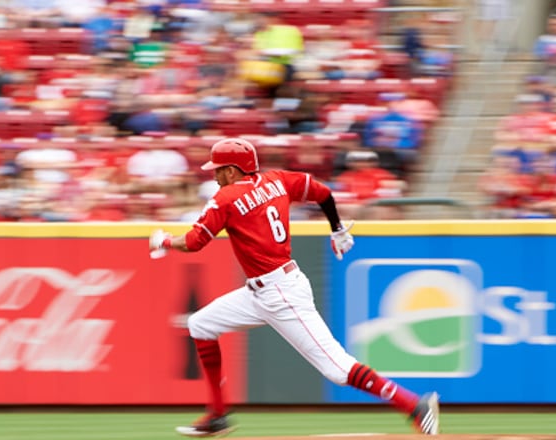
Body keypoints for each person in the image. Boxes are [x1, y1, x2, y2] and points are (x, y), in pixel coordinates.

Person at [148, 138, 440, 437]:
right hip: (261, 290)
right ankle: (219, 415)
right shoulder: (278, 179)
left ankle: (414, 404)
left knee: (338, 370)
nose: (214, 175)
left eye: (219, 169)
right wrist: (337, 228)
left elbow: (195, 242)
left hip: (281, 293)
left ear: (233, 171)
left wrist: (165, 241)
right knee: (200, 324)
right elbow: (323, 192)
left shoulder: (226, 198)